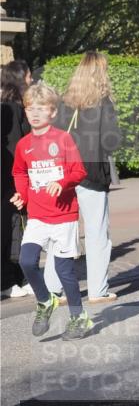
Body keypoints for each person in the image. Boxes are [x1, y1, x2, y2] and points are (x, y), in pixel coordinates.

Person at [11, 83, 89, 339]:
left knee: (65, 271)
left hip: (64, 216)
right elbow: (20, 172)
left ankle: (79, 317)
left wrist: (62, 182)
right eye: (30, 108)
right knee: (26, 260)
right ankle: (45, 301)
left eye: (41, 108)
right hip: (37, 216)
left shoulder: (63, 139)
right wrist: (22, 195)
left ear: (52, 112)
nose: (34, 113)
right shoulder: (24, 145)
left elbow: (79, 171)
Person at [45, 51, 121, 304]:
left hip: (64, 174)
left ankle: (54, 289)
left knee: (62, 232)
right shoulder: (103, 103)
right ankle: (97, 290)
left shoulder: (64, 102)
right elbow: (111, 142)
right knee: (97, 232)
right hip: (91, 173)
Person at [2, 60, 31, 298]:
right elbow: (22, 144)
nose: (31, 80)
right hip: (13, 176)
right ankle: (15, 279)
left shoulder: (5, 105)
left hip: (7, 175)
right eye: (29, 76)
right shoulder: (15, 109)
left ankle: (14, 278)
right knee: (16, 228)